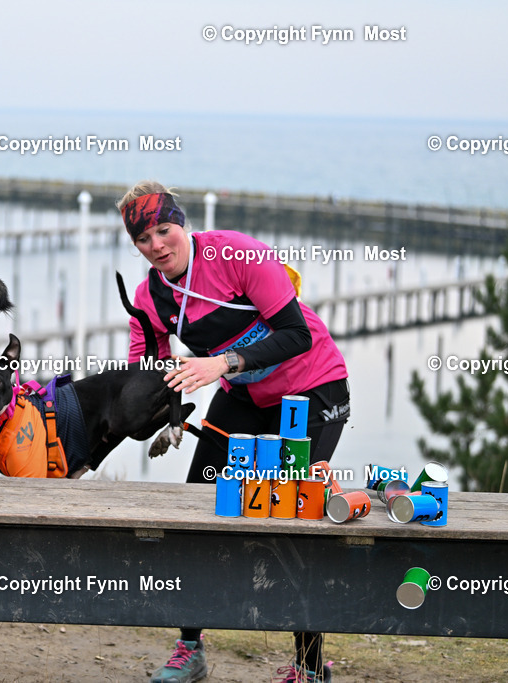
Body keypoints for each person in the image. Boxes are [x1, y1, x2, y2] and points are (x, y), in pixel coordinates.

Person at [120, 181, 350, 683]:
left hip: (314, 387)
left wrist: (221, 362)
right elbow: (144, 373)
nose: (157, 246)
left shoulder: (236, 253)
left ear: (181, 225)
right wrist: (168, 413)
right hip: (245, 393)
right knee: (200, 505)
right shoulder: (150, 297)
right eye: (142, 239)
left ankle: (310, 667)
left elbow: (297, 333)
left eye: (164, 230)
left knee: (295, 511)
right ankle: (189, 648)